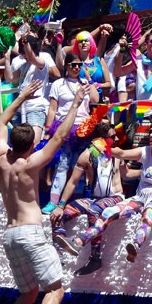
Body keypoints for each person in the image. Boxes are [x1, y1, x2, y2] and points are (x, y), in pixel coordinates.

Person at [0, 79, 86, 304]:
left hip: (10, 235)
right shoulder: (30, 164)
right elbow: (59, 137)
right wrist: (76, 104)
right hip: (30, 233)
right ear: (32, 144)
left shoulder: (1, 158)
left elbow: (0, 121)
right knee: (55, 289)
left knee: (29, 291)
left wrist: (21, 97)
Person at [82, 117, 152, 262]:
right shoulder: (145, 151)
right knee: (109, 211)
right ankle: (81, 240)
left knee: (148, 215)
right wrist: (106, 148)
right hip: (140, 197)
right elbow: (121, 153)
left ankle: (135, 246)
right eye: (151, 132)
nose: (151, 135)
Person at [50, 121, 125, 275]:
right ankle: (58, 257)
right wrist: (60, 205)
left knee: (94, 210)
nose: (116, 139)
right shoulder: (86, 155)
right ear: (101, 139)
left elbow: (127, 173)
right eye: (112, 137)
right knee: (59, 215)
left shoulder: (116, 153)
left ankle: (95, 258)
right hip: (94, 198)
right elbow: (72, 182)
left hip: (115, 197)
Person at [42, 53, 99, 213]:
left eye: (79, 65)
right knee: (62, 165)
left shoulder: (86, 83)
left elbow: (95, 100)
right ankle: (53, 202)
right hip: (64, 128)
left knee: (79, 167)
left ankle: (75, 202)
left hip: (83, 129)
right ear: (66, 66)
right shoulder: (58, 84)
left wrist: (90, 80)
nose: (76, 68)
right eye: (73, 65)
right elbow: (52, 109)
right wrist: (48, 131)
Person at [4, 35, 60, 146]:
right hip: (20, 108)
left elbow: (32, 58)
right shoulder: (23, 64)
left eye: (25, 53)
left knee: (33, 144)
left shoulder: (42, 62)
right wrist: (6, 58)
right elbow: (9, 78)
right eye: (23, 53)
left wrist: (26, 43)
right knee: (19, 145)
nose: (24, 56)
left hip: (35, 108)